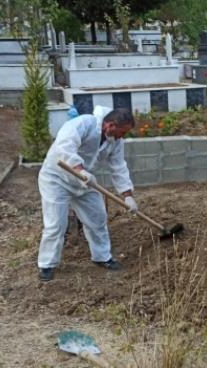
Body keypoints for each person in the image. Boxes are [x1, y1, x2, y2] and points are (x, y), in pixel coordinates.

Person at [37, 106, 138, 282]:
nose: (122, 137)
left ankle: (102, 257)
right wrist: (79, 170)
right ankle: (47, 265)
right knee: (56, 224)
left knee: (97, 217)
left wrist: (127, 195)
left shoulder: (115, 141)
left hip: (84, 181)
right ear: (110, 125)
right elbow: (65, 145)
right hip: (56, 178)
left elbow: (118, 166)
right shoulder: (84, 123)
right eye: (122, 132)